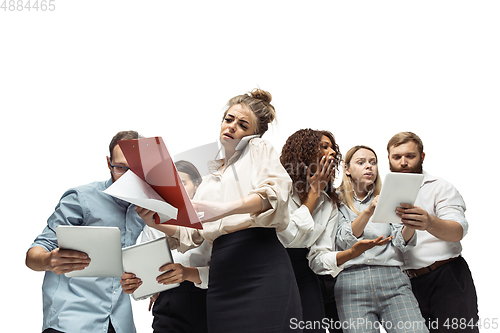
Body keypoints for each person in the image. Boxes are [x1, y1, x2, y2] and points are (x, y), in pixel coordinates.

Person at [122, 89, 302, 333]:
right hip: (221, 276)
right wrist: (153, 220)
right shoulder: (208, 181)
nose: (232, 126)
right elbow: (191, 235)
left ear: (253, 134)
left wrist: (224, 209)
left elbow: (275, 193)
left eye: (242, 124)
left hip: (259, 263)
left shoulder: (259, 148)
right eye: (228, 120)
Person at [25, 130, 145, 333]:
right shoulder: (82, 198)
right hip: (72, 319)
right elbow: (33, 254)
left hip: (119, 323)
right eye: (120, 168)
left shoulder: (146, 208)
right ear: (109, 163)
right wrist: (48, 261)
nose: (128, 178)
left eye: (136, 170)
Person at [279, 129, 392, 333]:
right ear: (303, 152)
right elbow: (287, 238)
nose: (332, 152)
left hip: (305, 271)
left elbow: (318, 258)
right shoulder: (281, 188)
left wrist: (351, 253)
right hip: (274, 264)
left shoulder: (329, 204)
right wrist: (313, 193)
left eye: (333, 148)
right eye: (324, 147)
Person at [388, 132, 479, 332]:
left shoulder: (441, 188)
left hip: (446, 277)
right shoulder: (379, 195)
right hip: (403, 286)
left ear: (422, 157)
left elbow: (457, 231)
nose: (403, 162)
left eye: (410, 156)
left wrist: (429, 222)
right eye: (397, 157)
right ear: (389, 159)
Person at [334, 145, 428, 333]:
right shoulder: (334, 201)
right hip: (351, 281)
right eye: (361, 163)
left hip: (392, 278)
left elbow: (401, 243)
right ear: (347, 169)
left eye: (373, 162)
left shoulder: (388, 197)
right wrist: (368, 212)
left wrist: (410, 222)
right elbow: (343, 241)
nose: (369, 167)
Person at [124, 160, 211, 333]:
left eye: (183, 183)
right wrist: (135, 283)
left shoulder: (211, 220)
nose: (177, 191)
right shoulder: (153, 225)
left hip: (207, 302)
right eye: (171, 187)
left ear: (197, 184)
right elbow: (145, 277)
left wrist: (187, 274)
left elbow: (223, 270)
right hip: (168, 306)